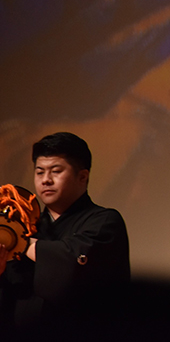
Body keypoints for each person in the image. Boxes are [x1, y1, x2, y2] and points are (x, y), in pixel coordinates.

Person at [0, 132, 130, 334]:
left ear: (82, 176)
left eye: (56, 171)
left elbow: (71, 266)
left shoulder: (105, 221)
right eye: (39, 172)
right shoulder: (27, 228)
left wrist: (21, 243)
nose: (46, 180)